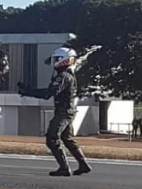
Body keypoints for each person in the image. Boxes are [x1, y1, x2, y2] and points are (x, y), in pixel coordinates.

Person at [17, 46, 92, 177]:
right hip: (68, 111)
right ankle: (83, 164)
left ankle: (64, 168)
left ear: (64, 60)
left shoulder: (63, 77)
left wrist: (29, 91)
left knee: (52, 138)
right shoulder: (69, 76)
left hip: (63, 112)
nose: (54, 63)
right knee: (67, 138)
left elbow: (48, 93)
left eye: (57, 59)